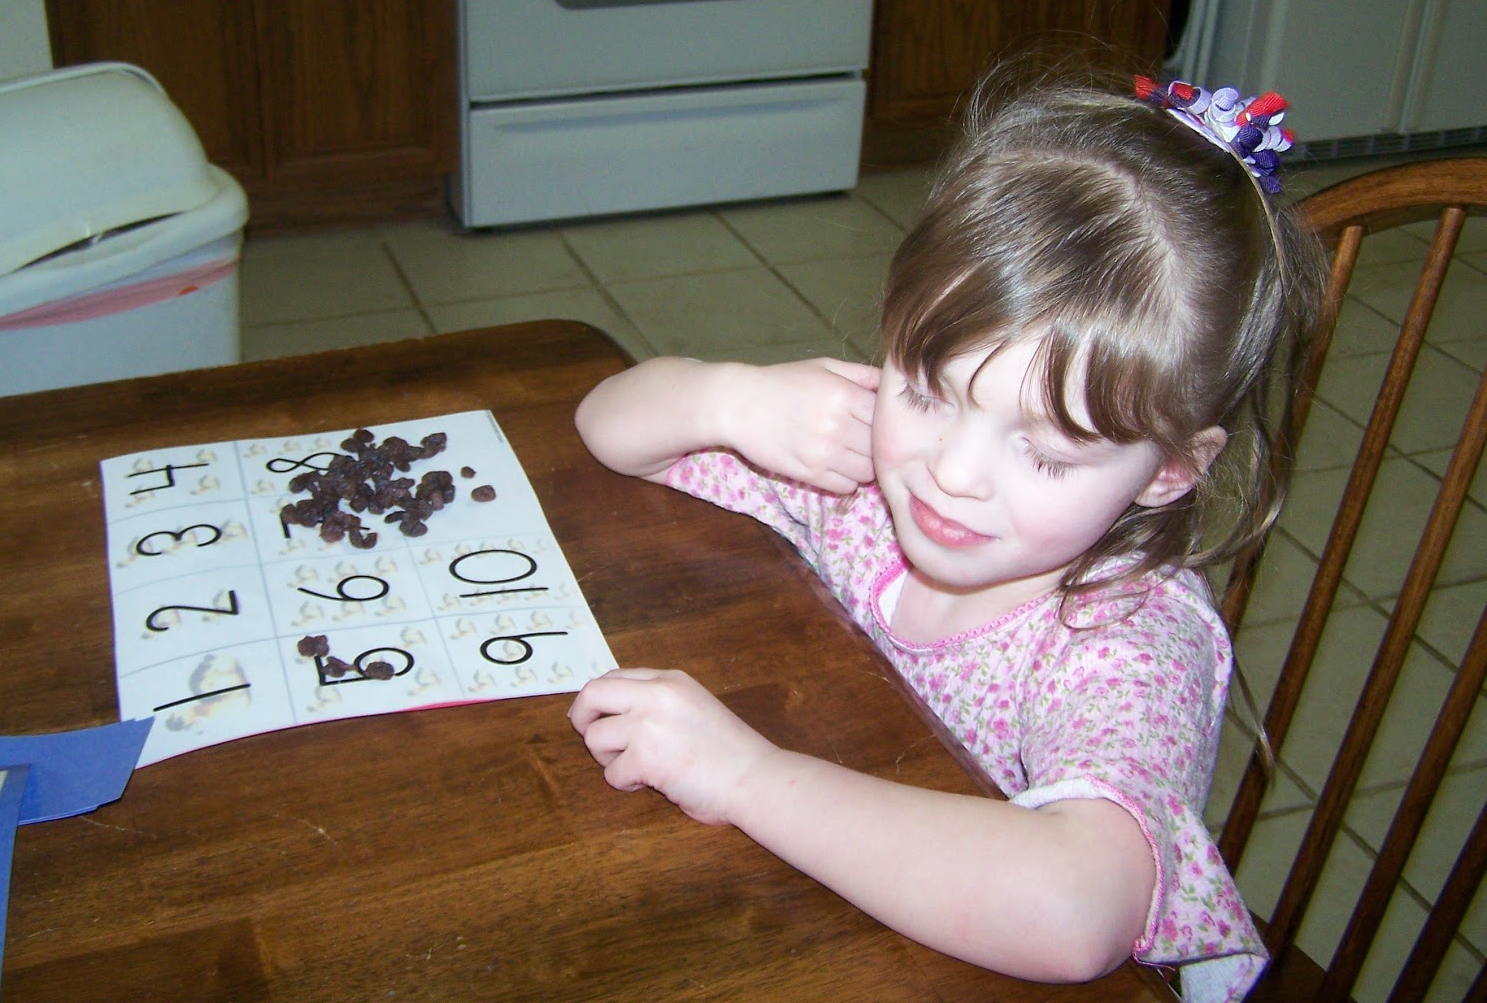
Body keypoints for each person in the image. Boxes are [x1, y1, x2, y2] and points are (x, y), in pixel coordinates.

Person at [566, 64, 1327, 1002]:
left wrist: (744, 778)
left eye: (1045, 453)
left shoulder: (1127, 638)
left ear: (1170, 468)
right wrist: (728, 397)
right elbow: (609, 431)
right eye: (926, 391)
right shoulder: (864, 479)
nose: (952, 474)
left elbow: (1077, 913)